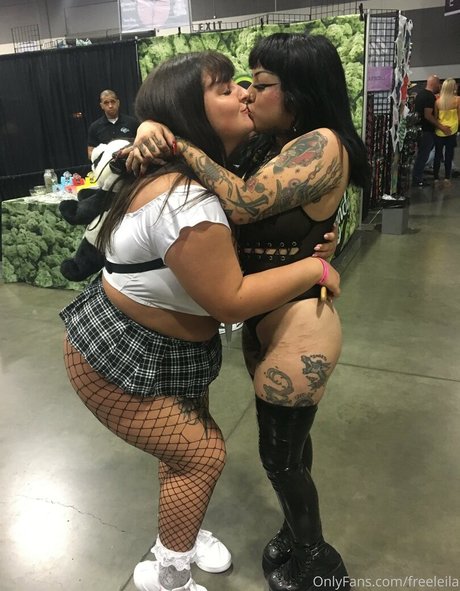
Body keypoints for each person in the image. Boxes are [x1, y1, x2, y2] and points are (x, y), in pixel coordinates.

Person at [60, 51, 341, 591]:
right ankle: (170, 577)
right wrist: (317, 266)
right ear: (192, 111)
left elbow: (271, 206)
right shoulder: (186, 198)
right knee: (202, 456)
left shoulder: (216, 170)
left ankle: (181, 534)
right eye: (226, 88)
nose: (245, 93)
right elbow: (231, 301)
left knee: (181, 456)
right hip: (123, 357)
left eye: (251, 84)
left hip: (172, 351)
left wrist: (314, 237)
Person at [127, 33, 369, 591]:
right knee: (290, 452)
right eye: (243, 84)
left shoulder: (321, 143)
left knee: (280, 458)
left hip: (300, 322)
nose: (248, 95)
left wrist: (173, 142)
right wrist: (147, 127)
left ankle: (319, 564)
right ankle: (295, 532)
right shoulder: (269, 144)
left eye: (260, 85)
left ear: (299, 91)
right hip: (266, 317)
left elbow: (241, 202)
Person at [412, 75, 450, 187]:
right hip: (427, 130)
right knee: (423, 155)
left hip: (420, 129)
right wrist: (441, 127)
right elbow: (428, 115)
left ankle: (418, 176)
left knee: (422, 154)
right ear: (435, 83)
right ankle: (417, 178)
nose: (439, 86)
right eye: (438, 83)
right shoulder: (429, 97)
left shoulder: (420, 95)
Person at [87, 89, 139, 159]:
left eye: (113, 101)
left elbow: (140, 144)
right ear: (101, 106)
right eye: (106, 103)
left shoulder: (132, 123)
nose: (110, 106)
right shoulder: (94, 127)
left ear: (118, 103)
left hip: (129, 163)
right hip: (107, 164)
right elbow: (90, 154)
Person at [433, 78, 459, 185]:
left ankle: (435, 178)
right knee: (449, 154)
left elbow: (436, 117)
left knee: (437, 154)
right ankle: (447, 178)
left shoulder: (438, 101)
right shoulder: (457, 100)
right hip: (452, 130)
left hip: (439, 131)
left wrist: (441, 127)